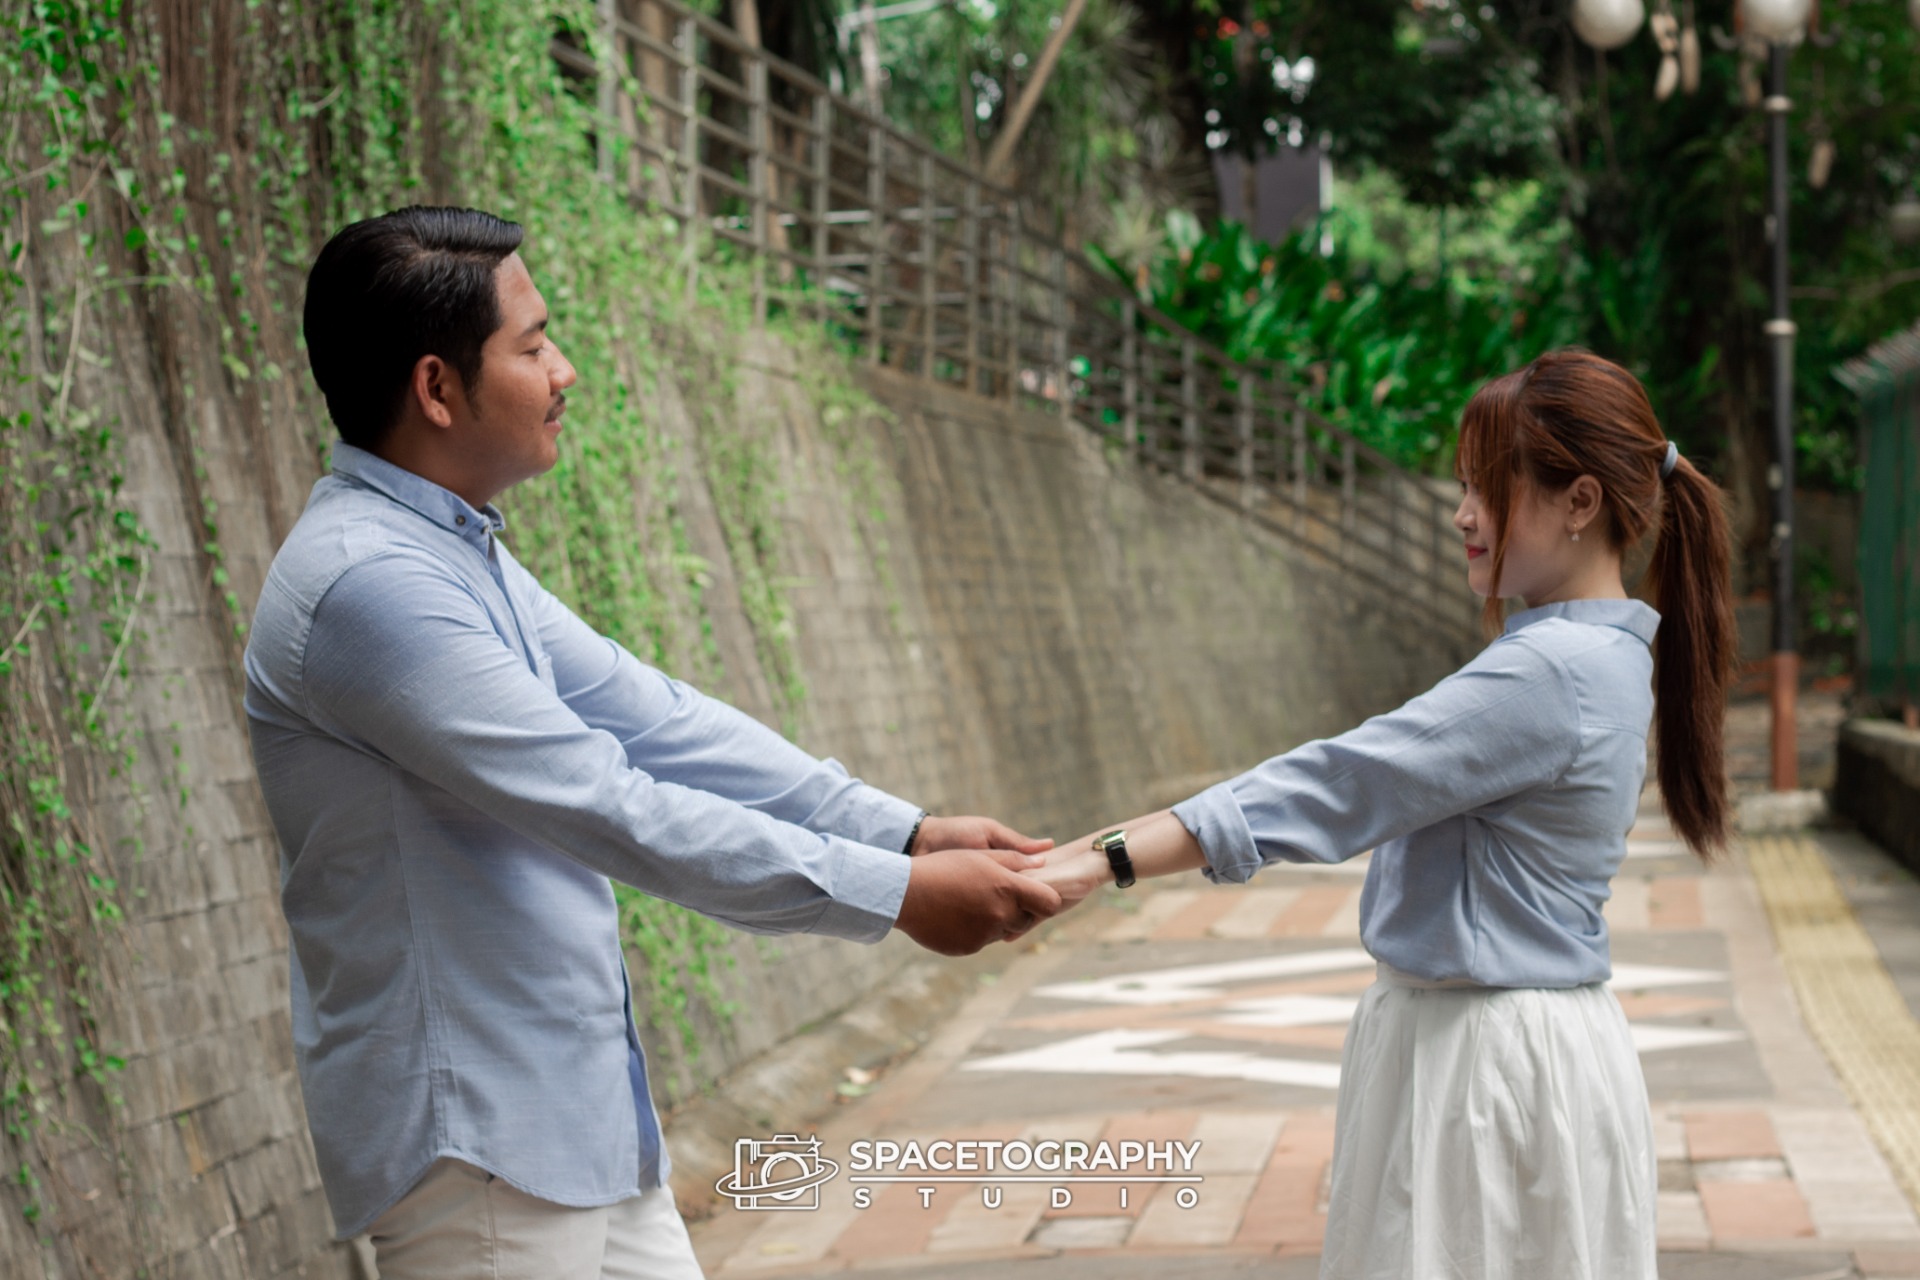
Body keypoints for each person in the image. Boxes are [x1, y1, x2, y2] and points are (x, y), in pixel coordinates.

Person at [243, 206, 1062, 1279]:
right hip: (483, 1154)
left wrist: (904, 833)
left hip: (577, 1122)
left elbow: (654, 718)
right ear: (438, 389)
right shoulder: (372, 586)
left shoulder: (448, 548)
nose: (564, 371)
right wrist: (894, 893)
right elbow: (609, 802)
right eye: (533, 347)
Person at [1028, 348, 1736, 1280]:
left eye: (1488, 488)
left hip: (1480, 1062)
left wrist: (1104, 858)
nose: (1463, 514)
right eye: (1463, 486)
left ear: (1580, 502)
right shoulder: (1602, 656)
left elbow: (1341, 783)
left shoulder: (1548, 672)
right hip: (1518, 1049)